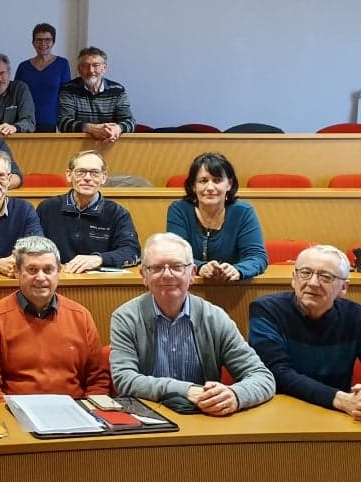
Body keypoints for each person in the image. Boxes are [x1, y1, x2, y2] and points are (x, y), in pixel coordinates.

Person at [109, 232, 275, 414]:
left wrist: (235, 395)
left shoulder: (215, 318)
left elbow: (262, 377)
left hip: (204, 417)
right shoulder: (126, 318)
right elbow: (124, 379)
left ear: (192, 273)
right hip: (149, 418)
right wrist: (186, 390)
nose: (167, 275)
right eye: (157, 268)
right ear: (144, 276)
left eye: (177, 267)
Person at [0, 236, 110, 402]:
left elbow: (98, 380)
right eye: (32, 270)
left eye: (48, 270)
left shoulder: (81, 316)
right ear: (17, 272)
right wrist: (13, 414)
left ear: (58, 272)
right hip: (15, 412)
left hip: (74, 410)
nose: (40, 277)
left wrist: (90, 411)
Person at [248, 245, 361, 417]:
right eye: (305, 273)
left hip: (335, 415)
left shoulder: (355, 315)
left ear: (343, 287)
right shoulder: (266, 310)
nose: (313, 283)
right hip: (278, 411)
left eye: (326, 277)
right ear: (294, 279)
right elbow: (276, 372)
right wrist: (341, 399)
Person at [166, 152, 267, 281]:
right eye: (203, 181)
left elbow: (257, 257)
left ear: (229, 184)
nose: (210, 187)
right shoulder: (180, 210)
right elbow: (175, 255)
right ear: (193, 186)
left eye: (217, 180)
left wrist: (238, 270)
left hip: (234, 288)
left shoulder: (243, 212)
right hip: (189, 287)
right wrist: (200, 267)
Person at [36, 150, 140, 273]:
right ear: (69, 175)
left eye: (95, 173)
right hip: (56, 277)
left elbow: (132, 251)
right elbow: (31, 248)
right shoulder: (47, 208)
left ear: (104, 177)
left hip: (98, 281)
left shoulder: (117, 213)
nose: (87, 178)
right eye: (81, 172)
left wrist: (99, 259)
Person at [57, 46, 135, 141]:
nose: (91, 70)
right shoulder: (68, 89)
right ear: (79, 69)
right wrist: (91, 128)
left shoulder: (117, 90)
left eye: (96, 65)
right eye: (85, 66)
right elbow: (63, 123)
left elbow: (130, 122)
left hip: (110, 143)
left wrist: (117, 129)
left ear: (104, 68)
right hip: (78, 144)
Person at [14, 23, 72, 132]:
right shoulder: (23, 67)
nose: (43, 43)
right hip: (25, 122)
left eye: (47, 40)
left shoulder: (62, 64)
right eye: (39, 40)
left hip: (52, 122)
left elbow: (66, 95)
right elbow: (16, 95)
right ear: (33, 42)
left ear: (53, 42)